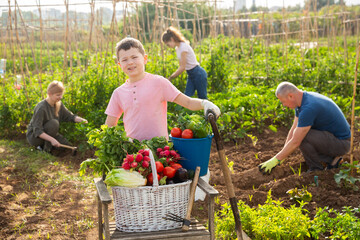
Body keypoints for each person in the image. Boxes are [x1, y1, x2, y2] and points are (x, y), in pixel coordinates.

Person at [104, 37, 220, 141]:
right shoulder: (118, 93)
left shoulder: (159, 82)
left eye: (134, 57)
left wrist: (205, 104)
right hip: (134, 153)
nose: (130, 62)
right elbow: (109, 125)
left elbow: (188, 102)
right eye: (124, 60)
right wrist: (121, 141)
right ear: (119, 65)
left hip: (160, 150)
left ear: (145, 59)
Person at [259, 81, 351, 173]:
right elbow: (293, 129)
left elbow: (296, 141)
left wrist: (275, 160)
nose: (283, 105)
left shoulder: (308, 108)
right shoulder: (302, 101)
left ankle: (316, 169)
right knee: (300, 133)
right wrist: (281, 156)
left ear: (290, 96)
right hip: (332, 138)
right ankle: (333, 160)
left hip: (342, 143)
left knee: (303, 137)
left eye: (283, 101)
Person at [26, 81, 88, 153]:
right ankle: (45, 150)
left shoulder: (58, 104)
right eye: (58, 95)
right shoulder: (41, 108)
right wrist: (52, 139)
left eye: (61, 95)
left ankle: (48, 146)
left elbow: (69, 116)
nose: (60, 97)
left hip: (50, 133)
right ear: (49, 94)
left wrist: (82, 120)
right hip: (35, 137)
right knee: (54, 123)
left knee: (67, 146)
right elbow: (37, 131)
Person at [161, 27, 208, 99]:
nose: (168, 46)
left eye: (168, 44)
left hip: (198, 73)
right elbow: (181, 65)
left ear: (172, 39)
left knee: (202, 97)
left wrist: (171, 77)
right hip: (190, 74)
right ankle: (189, 110)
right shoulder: (178, 49)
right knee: (187, 96)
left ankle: (210, 110)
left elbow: (182, 67)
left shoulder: (183, 47)